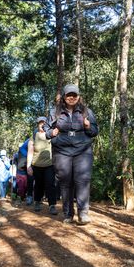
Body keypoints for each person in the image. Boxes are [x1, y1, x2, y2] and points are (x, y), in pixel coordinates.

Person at [46, 84, 98, 224]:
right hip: (62, 150)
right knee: (65, 181)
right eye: (69, 95)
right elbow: (46, 130)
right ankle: (68, 214)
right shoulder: (54, 112)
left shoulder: (87, 111)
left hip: (83, 150)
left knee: (82, 180)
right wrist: (52, 133)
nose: (71, 97)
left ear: (78, 97)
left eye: (74, 95)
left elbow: (94, 132)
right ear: (64, 97)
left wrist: (88, 126)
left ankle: (83, 214)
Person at [27, 117, 58, 214]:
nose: (42, 124)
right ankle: (37, 202)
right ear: (37, 124)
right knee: (38, 185)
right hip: (36, 165)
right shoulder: (34, 136)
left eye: (44, 122)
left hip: (49, 165)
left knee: (50, 184)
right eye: (40, 123)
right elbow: (30, 152)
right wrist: (28, 166)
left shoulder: (51, 134)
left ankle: (52, 205)